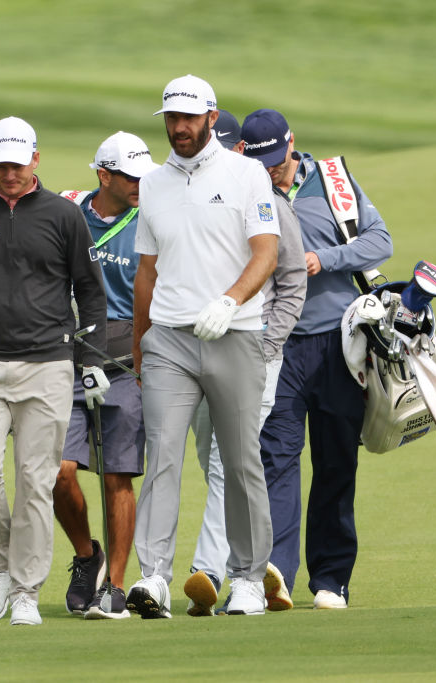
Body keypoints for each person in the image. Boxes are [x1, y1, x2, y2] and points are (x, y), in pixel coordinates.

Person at [0, 116, 109, 627]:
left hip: (48, 364)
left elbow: (90, 291)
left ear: (35, 159)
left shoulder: (62, 215)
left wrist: (92, 359)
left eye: (17, 162)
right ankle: (0, 572)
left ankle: (26, 592)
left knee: (36, 482)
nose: (9, 172)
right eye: (0, 163)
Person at [127, 76, 279, 619]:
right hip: (169, 338)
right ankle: (153, 579)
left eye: (189, 118)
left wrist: (230, 301)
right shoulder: (151, 183)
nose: (179, 128)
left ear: (211, 118)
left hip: (233, 334)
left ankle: (247, 578)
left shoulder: (247, 173)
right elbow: (147, 270)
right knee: (162, 455)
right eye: (171, 118)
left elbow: (265, 253)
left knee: (239, 461)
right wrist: (142, 344)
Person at [242, 108, 392, 609]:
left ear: (292, 145)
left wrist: (322, 259)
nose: (271, 172)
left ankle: (331, 578)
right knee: (276, 461)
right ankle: (276, 575)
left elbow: (380, 240)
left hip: (338, 345)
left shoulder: (333, 182)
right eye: (260, 162)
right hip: (274, 345)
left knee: (335, 461)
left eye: (277, 160)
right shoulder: (245, 188)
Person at [184, 110, 307, 616]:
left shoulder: (272, 204)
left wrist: (267, 346)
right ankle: (251, 562)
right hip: (198, 353)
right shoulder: (200, 200)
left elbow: (293, 281)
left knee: (225, 463)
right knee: (213, 458)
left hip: (254, 355)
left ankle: (216, 571)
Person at [55, 132, 158, 620]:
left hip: (127, 361)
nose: (142, 183)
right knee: (56, 472)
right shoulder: (65, 210)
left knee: (118, 473)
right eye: (132, 176)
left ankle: (114, 587)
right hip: (65, 358)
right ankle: (85, 556)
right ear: (104, 175)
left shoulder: (153, 218)